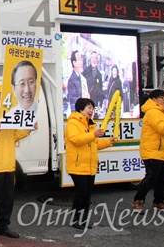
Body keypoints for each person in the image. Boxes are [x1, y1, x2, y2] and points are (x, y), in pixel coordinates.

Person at [0, 83, 37, 242]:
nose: (6, 98)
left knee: (8, 199)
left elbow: (15, 135)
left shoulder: (10, 114)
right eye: (2, 95)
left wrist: (29, 129)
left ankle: (2, 226)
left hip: (9, 165)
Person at [65, 98, 116, 230]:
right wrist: (93, 135)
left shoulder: (90, 124)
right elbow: (75, 140)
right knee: (81, 193)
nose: (91, 111)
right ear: (80, 109)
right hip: (77, 165)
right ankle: (76, 220)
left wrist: (109, 142)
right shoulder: (73, 123)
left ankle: (83, 220)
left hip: (90, 166)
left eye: (92, 108)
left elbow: (95, 144)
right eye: (88, 108)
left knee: (87, 194)